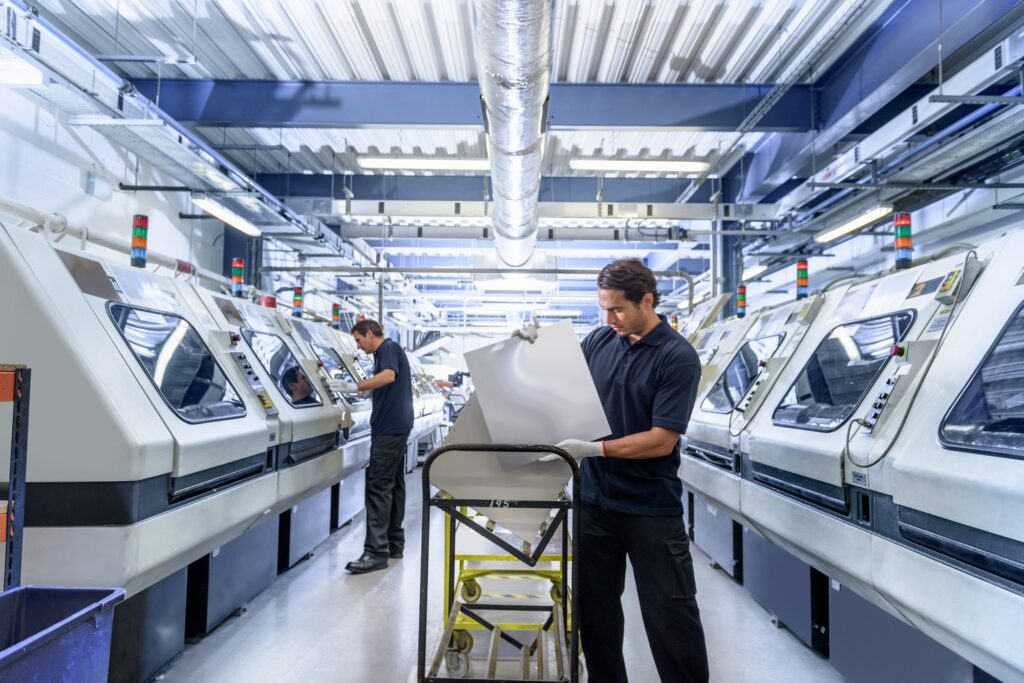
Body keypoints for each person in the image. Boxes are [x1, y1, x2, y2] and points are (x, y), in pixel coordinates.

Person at [517, 258, 710, 683]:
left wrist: (594, 449)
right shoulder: (600, 342)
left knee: (670, 616)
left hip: (649, 510)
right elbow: (562, 383)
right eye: (603, 309)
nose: (609, 319)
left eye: (617, 309)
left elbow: (662, 439)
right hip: (594, 505)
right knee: (596, 615)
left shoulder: (677, 358)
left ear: (647, 300)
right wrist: (529, 349)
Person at [330, 319, 414, 574]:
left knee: (378, 488)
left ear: (369, 334)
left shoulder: (387, 348)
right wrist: (367, 391)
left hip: (389, 429)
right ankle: (393, 544)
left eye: (358, 339)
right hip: (397, 425)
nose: (358, 345)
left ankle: (375, 553)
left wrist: (354, 386)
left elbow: (388, 376)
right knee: (394, 485)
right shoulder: (388, 351)